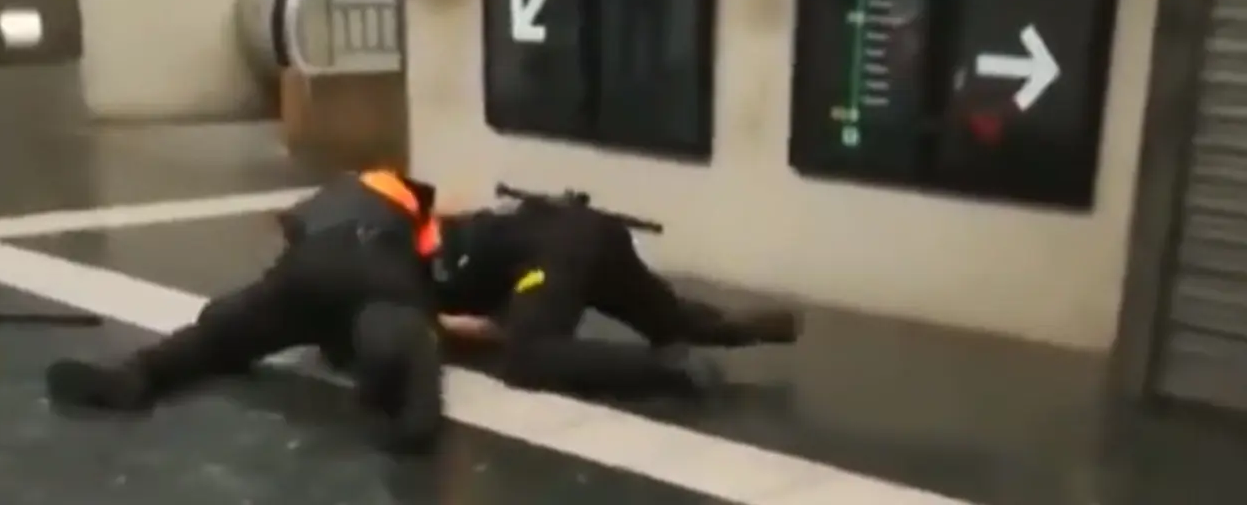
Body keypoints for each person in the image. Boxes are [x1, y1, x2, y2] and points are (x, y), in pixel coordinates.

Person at [44, 169, 447, 454]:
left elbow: (292, 231)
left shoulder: (340, 189)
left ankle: (137, 374)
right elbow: (433, 270)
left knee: (220, 330)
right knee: (400, 334)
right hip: (375, 275)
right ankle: (410, 417)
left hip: (306, 273)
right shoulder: (416, 207)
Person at [372, 196, 801, 396]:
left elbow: (480, 330)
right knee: (665, 318)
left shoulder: (403, 276)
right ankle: (740, 327)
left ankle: (669, 367)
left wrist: (441, 327)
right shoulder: (430, 230)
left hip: (551, 258)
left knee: (527, 357)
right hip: (586, 230)